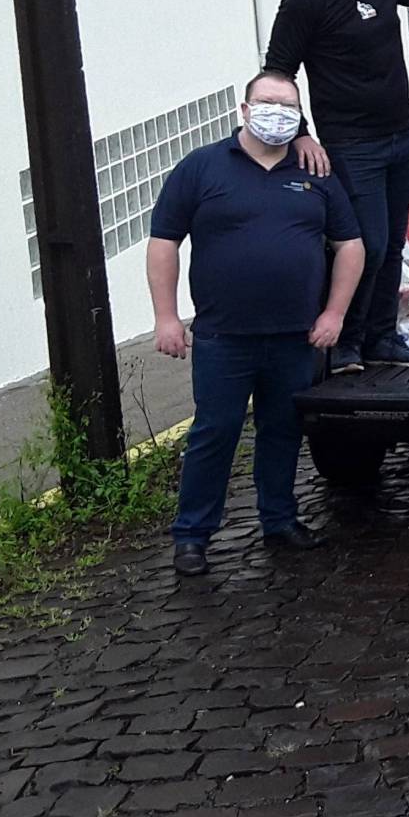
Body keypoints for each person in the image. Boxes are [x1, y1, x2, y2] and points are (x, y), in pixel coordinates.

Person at [148, 71, 365, 577]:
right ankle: (192, 536)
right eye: (267, 102)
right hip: (223, 337)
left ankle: (280, 520)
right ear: (244, 110)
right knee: (214, 433)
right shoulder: (201, 167)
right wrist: (166, 317)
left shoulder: (315, 170)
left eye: (288, 106)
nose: (277, 113)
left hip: (296, 336)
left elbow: (350, 246)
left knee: (283, 430)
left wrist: (334, 313)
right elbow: (163, 242)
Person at [264, 0, 409, 376]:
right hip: (350, 144)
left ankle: (381, 338)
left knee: (393, 244)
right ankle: (344, 342)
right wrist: (300, 134)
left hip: (401, 135)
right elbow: (277, 72)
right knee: (366, 244)